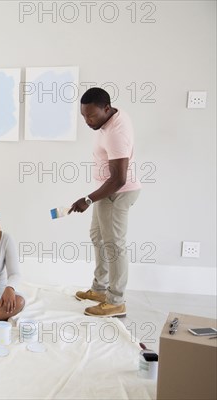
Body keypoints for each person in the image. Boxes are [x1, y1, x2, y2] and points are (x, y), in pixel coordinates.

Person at [70, 87, 141, 318]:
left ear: (106, 109)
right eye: (83, 116)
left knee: (114, 245)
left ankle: (116, 301)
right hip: (106, 192)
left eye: (91, 116)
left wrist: (89, 199)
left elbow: (119, 179)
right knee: (97, 236)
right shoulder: (109, 119)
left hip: (118, 193)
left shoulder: (115, 132)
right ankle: (100, 289)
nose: (87, 121)